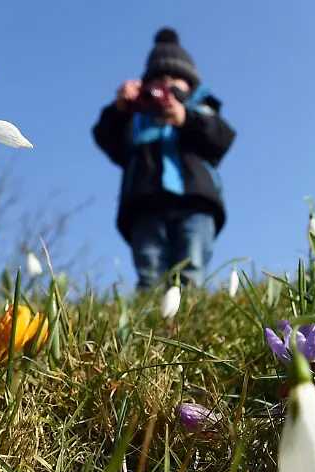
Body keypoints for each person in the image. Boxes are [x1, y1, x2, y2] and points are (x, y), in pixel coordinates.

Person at [92, 27, 236, 290]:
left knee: (192, 265)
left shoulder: (202, 110)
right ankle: (150, 310)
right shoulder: (136, 119)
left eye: (176, 79)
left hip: (197, 202)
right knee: (150, 267)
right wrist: (120, 108)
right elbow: (106, 139)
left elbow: (222, 139)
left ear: (191, 84)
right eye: (158, 78)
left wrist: (186, 118)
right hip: (145, 204)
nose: (166, 83)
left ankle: (190, 309)